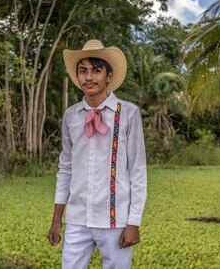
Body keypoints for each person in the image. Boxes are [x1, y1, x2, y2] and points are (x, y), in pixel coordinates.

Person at [47, 39, 147, 269]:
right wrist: (56, 220)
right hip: (77, 218)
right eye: (83, 71)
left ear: (109, 76)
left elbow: (137, 171)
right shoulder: (71, 116)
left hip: (115, 219)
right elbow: (66, 168)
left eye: (96, 70)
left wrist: (133, 222)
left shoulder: (129, 114)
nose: (88, 77)